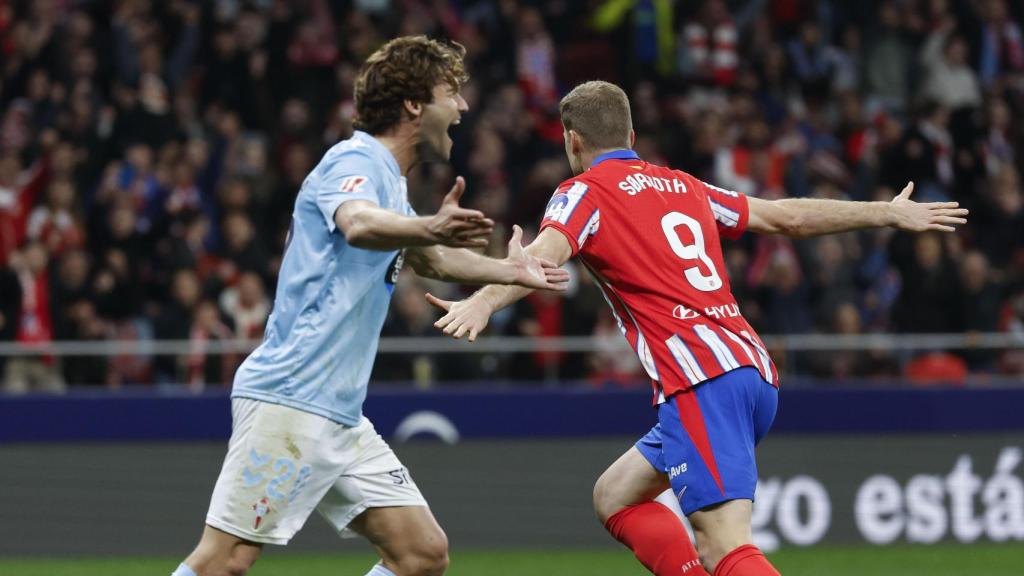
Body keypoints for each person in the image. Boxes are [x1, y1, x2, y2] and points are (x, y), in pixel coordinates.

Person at [427, 81, 967, 576]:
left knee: (724, 547)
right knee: (615, 497)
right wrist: (885, 212)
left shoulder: (583, 193)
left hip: (701, 379)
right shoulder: (682, 186)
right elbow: (787, 218)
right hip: (751, 371)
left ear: (572, 141)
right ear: (631, 135)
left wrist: (482, 303)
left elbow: (540, 262)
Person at [172, 36, 569, 576]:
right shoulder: (353, 158)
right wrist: (427, 224)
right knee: (225, 560)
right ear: (413, 104)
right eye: (451, 93)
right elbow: (357, 224)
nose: (463, 107)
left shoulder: (392, 184)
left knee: (421, 555)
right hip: (292, 396)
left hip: (339, 413)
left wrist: (509, 270)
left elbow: (430, 260)